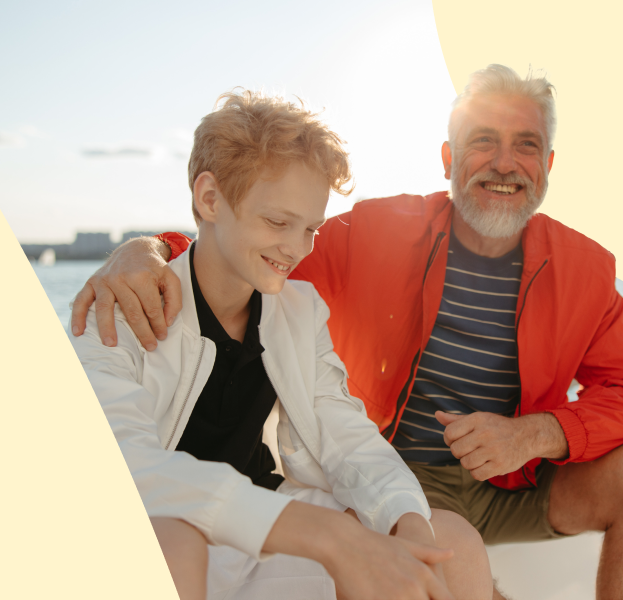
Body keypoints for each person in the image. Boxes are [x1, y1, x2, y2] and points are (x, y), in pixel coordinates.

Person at [72, 65, 623, 600]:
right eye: (483, 141)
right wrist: (148, 249)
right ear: (448, 158)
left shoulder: (587, 269)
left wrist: (535, 434)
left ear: (548, 164)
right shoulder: (372, 233)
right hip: (398, 467)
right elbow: (237, 252)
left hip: (514, 479)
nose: (505, 164)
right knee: (182, 541)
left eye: (525, 144)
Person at [68, 89, 494, 600]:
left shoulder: (300, 310)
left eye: (311, 228)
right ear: (209, 199)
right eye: (277, 222)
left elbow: (346, 433)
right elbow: (122, 467)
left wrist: (408, 520)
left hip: (269, 539)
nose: (296, 248)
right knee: (174, 545)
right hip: (170, 537)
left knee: (452, 543)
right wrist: (327, 536)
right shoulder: (118, 305)